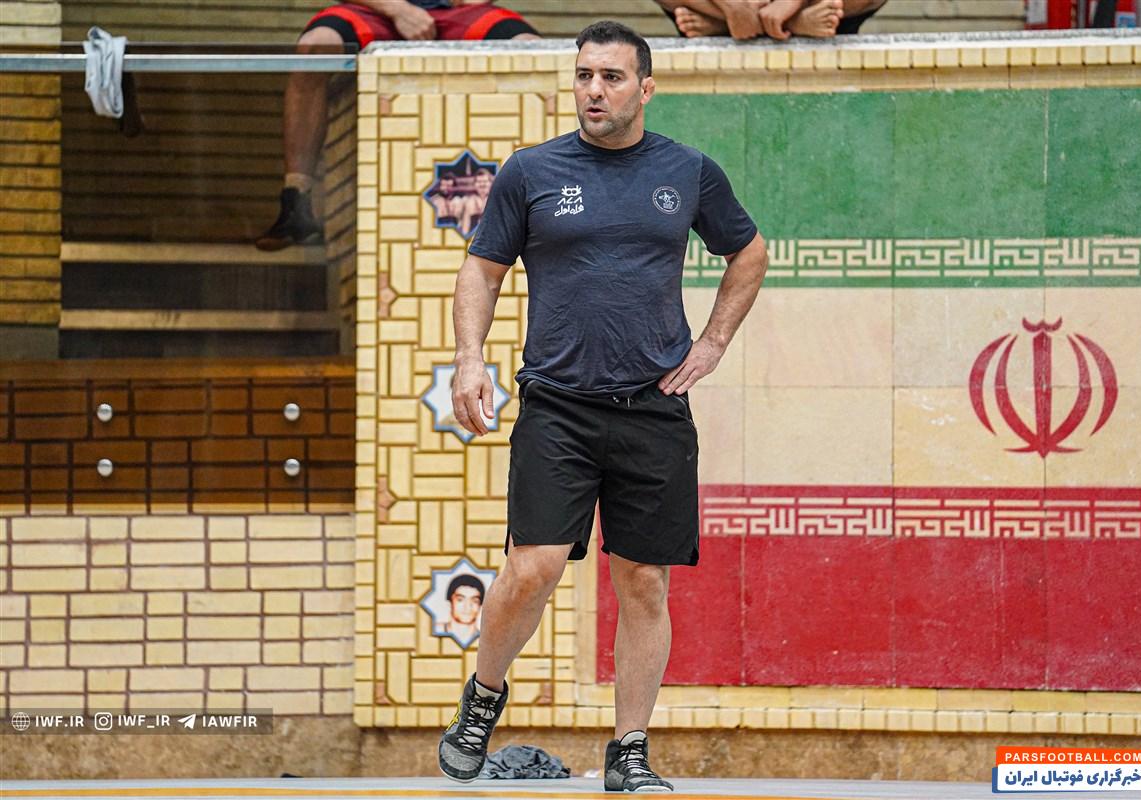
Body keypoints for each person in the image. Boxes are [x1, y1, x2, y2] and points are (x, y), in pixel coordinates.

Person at [439, 20, 768, 793]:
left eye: (612, 77)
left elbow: (749, 252)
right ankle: (483, 697)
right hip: (558, 405)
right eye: (585, 75)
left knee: (644, 581)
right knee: (534, 567)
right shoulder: (531, 171)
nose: (594, 89)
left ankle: (629, 750)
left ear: (645, 88)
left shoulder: (688, 171)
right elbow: (482, 269)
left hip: (653, 408)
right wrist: (469, 359)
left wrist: (713, 342)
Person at [255, 1, 538, 251]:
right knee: (315, 45)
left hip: (457, 12)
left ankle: (542, 203)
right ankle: (297, 202)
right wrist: (398, 9)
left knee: (531, 48)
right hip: (375, 11)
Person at [657, 0, 887, 40]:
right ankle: (790, 24)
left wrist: (794, 2)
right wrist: (732, 5)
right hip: (717, 8)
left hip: (818, 8)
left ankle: (726, 25)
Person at [434, 574, 486, 641]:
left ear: (480, 606)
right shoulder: (434, 631)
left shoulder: (486, 640)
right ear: (449, 604)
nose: (467, 607)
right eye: (460, 600)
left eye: (474, 601)